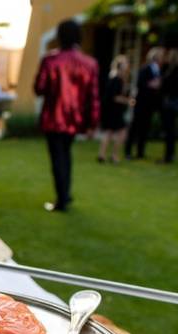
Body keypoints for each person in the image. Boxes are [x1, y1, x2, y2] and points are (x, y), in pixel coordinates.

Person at [33, 19, 99, 213]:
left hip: (54, 119)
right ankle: (65, 194)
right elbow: (93, 97)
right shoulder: (89, 63)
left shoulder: (51, 61)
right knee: (66, 155)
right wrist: (92, 123)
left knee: (58, 157)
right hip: (74, 120)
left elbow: (39, 88)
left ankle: (62, 198)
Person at [124, 47, 163, 160]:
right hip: (141, 103)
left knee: (145, 128)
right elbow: (140, 84)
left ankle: (140, 152)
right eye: (160, 56)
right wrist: (151, 85)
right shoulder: (145, 69)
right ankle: (128, 151)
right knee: (135, 127)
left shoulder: (159, 71)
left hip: (150, 104)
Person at [98, 55, 133, 163]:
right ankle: (113, 155)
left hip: (112, 110)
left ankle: (103, 155)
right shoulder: (116, 79)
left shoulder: (118, 78)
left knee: (109, 132)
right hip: (113, 110)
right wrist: (128, 101)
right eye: (125, 63)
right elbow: (115, 97)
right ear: (121, 66)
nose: (127, 65)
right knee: (121, 132)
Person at [158, 48, 178, 163]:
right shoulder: (177, 70)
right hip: (173, 103)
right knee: (170, 130)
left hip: (170, 104)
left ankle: (168, 156)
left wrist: (162, 86)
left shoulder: (175, 70)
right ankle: (170, 154)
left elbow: (171, 88)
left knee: (169, 130)